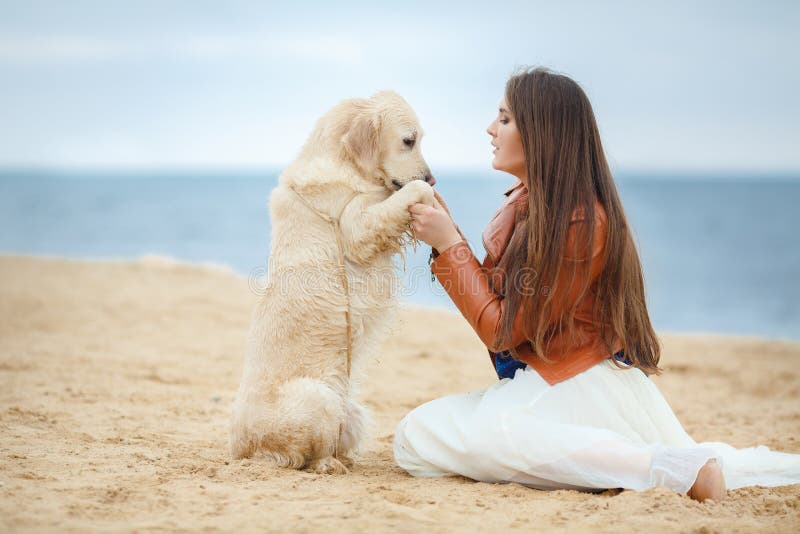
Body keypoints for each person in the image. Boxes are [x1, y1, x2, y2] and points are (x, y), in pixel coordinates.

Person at [395, 67, 800, 501]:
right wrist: (447, 235)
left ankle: (666, 468)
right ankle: (629, 460)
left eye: (505, 119)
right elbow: (504, 306)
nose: (490, 128)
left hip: (579, 385)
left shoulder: (580, 220)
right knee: (415, 436)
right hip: (547, 379)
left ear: (542, 131)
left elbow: (502, 330)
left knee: (465, 435)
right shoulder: (532, 205)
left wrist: (450, 244)